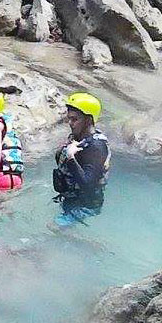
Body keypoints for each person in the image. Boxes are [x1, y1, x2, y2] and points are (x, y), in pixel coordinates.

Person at [52, 92, 110, 226]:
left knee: (52, 229)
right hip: (71, 201)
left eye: (75, 119)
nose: (70, 123)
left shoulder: (96, 146)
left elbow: (88, 185)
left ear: (88, 120)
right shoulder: (76, 139)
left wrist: (70, 157)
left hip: (85, 207)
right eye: (69, 119)